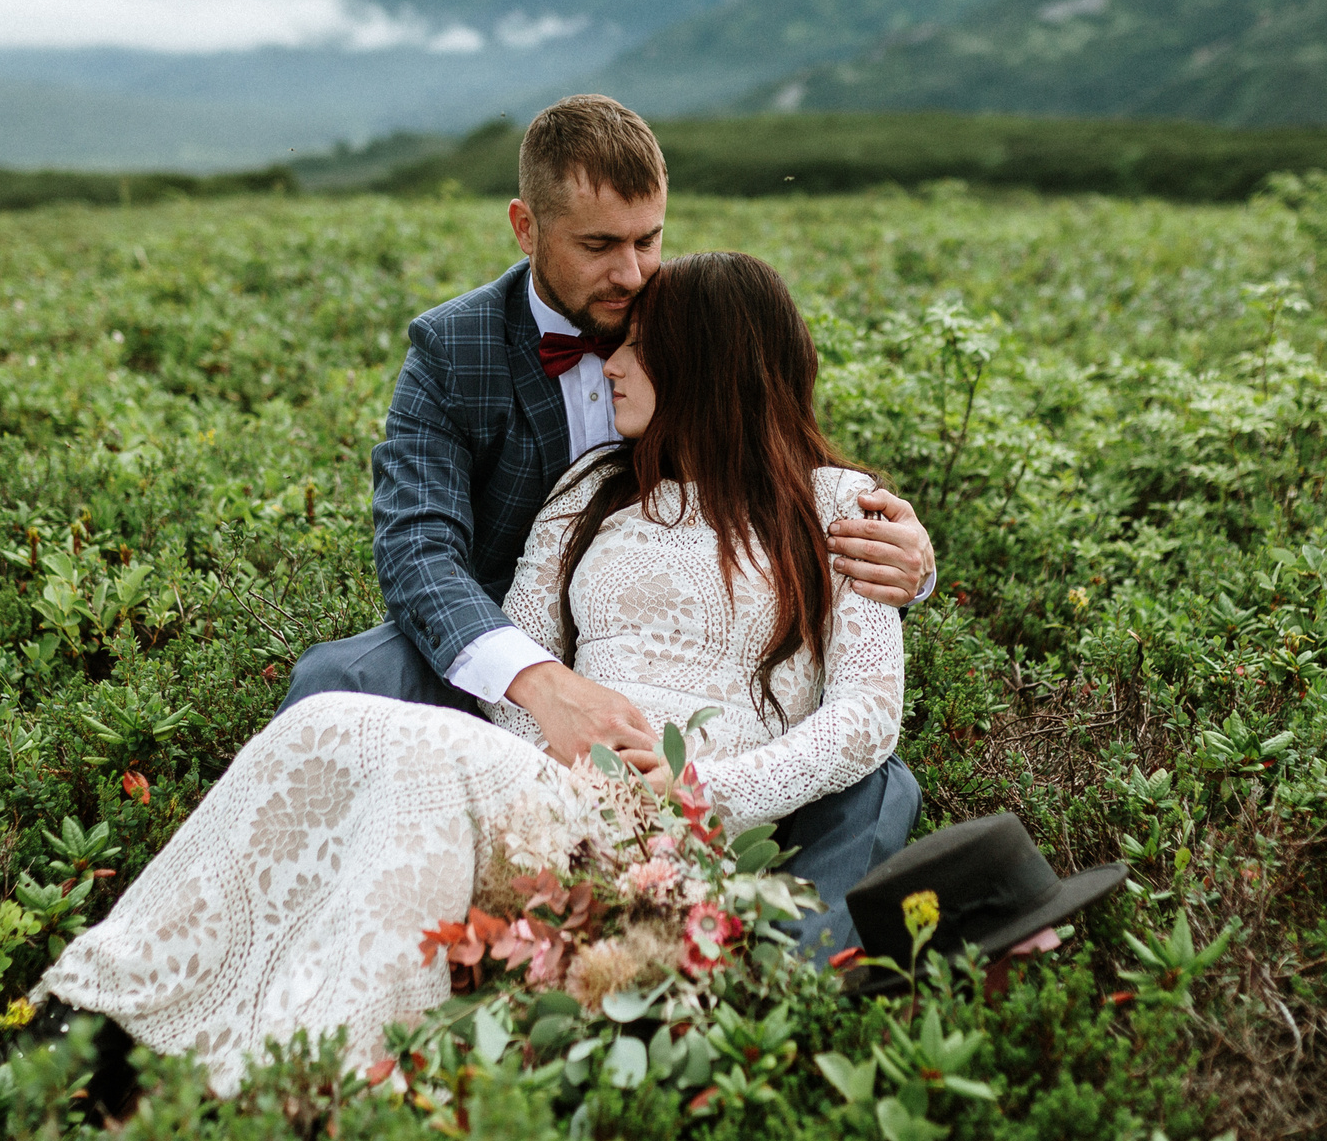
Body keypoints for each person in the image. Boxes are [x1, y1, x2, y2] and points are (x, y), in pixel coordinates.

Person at [32, 251, 905, 1090]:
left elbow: (866, 713)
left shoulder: (837, 506)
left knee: (416, 770)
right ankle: (103, 1004)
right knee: (320, 717)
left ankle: (334, 1063)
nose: (612, 361)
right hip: (550, 791)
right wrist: (566, 777)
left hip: (693, 821)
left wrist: (696, 793)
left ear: (709, 361)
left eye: (640, 344)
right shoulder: (589, 489)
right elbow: (521, 653)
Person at [283, 95, 930, 942]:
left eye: (649, 239)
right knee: (344, 681)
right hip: (493, 640)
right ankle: (325, 918)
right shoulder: (455, 348)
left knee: (884, 782)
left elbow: (772, 468)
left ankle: (779, 973)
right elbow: (419, 548)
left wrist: (905, 561)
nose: (632, 273)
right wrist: (539, 685)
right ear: (526, 226)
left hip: (709, 723)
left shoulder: (698, 316)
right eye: (598, 245)